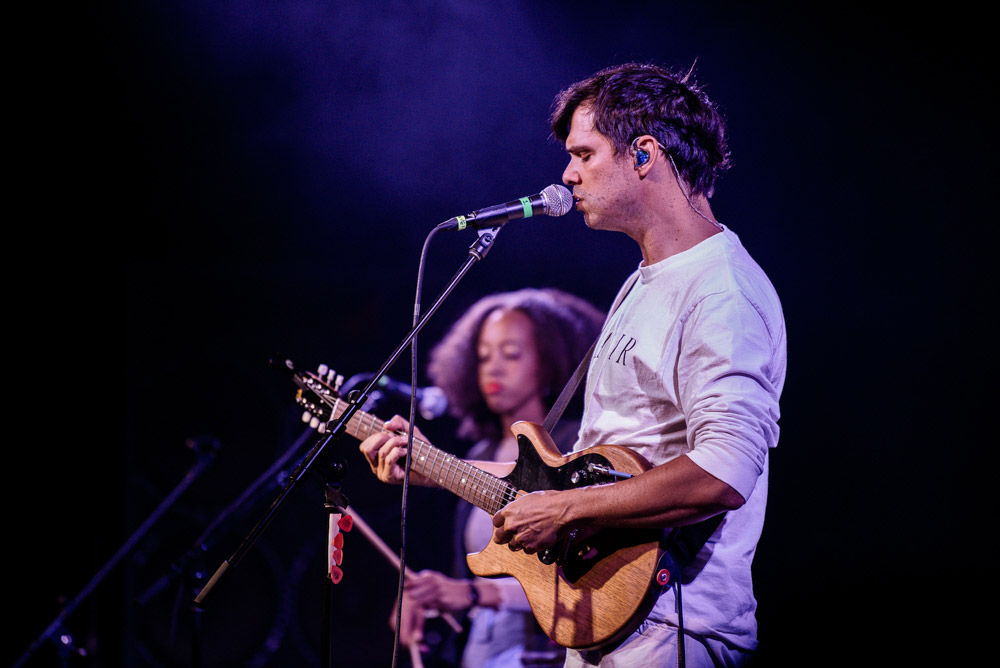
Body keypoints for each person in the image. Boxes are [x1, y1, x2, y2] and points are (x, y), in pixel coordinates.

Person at [363, 62, 786, 668]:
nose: (567, 174)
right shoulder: (642, 283)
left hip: (673, 628)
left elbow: (724, 473)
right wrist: (431, 466)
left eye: (584, 154)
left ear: (644, 154)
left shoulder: (721, 292)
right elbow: (571, 479)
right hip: (601, 618)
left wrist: (564, 508)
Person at [372, 288, 604, 668]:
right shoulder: (477, 457)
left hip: (550, 652)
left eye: (511, 355)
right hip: (481, 652)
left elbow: (582, 573)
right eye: (483, 357)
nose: (494, 368)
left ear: (547, 363)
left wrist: (474, 593)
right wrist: (427, 595)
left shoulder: (574, 448)